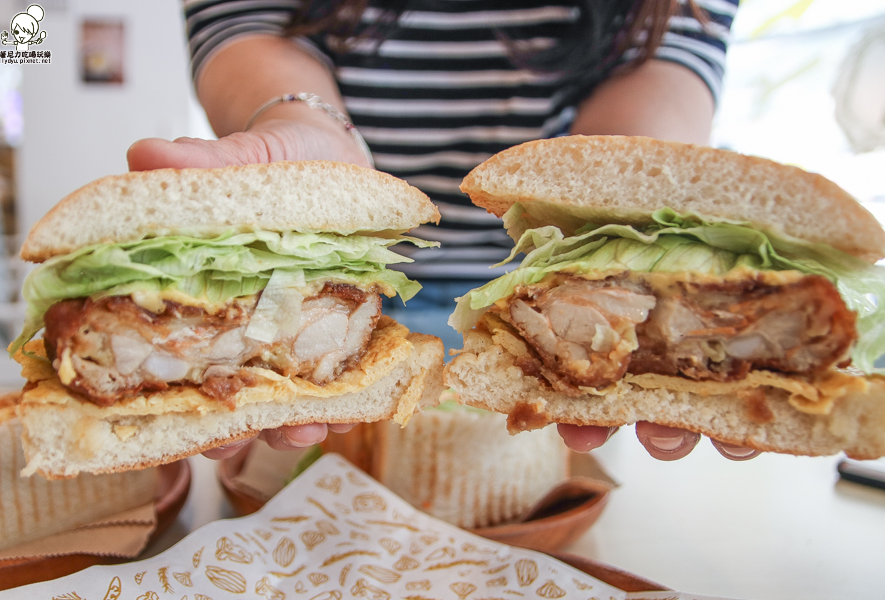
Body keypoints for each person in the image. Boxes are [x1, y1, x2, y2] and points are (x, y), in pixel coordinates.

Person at [128, 0, 754, 461]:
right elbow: (244, 23)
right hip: (328, 301)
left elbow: (673, 49)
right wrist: (313, 136)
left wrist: (615, 184)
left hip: (552, 316)